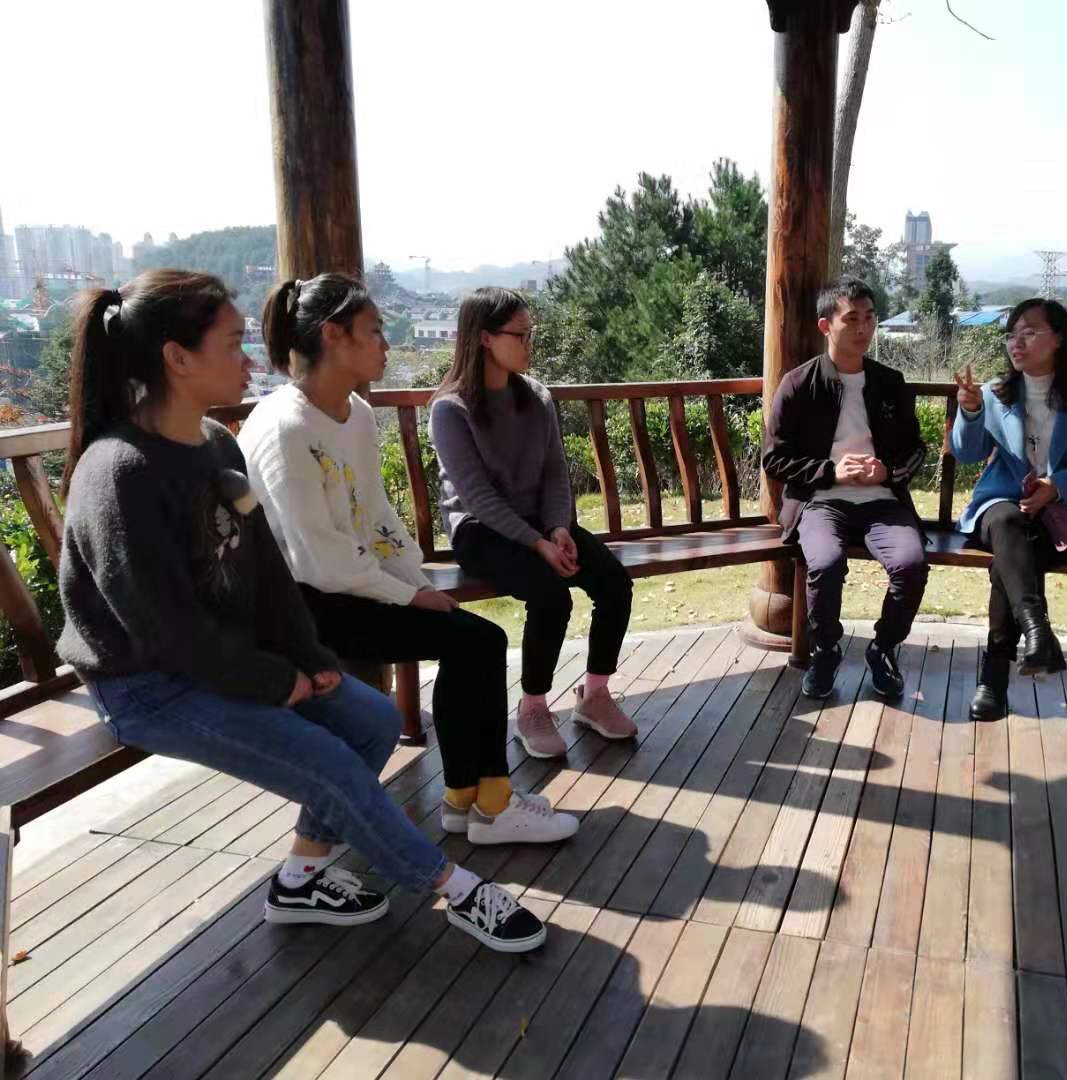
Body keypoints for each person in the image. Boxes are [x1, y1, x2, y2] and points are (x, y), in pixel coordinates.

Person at [56, 269, 546, 952]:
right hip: (146, 684)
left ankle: (301, 878)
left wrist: (310, 660)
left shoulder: (215, 445)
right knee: (331, 763)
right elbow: (161, 626)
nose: (251, 359)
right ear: (178, 358)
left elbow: (265, 573)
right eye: (233, 344)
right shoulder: (120, 471)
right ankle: (454, 888)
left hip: (219, 660)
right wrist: (271, 679)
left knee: (372, 721)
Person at [238, 274, 576, 846]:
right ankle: (489, 805)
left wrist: (414, 579)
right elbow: (318, 557)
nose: (386, 343)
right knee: (478, 642)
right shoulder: (286, 427)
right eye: (373, 331)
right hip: (302, 607)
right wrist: (409, 595)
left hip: (349, 587)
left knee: (471, 639)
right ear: (333, 335)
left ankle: (468, 800)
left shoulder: (354, 411)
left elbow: (376, 515)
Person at [428, 287, 636, 759]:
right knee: (551, 595)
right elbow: (478, 497)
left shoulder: (538, 397)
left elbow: (555, 474)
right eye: (519, 335)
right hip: (480, 531)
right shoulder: (450, 409)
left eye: (530, 333)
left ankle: (595, 694)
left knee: (614, 584)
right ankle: (533, 707)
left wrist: (559, 527)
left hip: (541, 523)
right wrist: (537, 544)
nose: (529, 344)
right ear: (484, 337)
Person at [950, 297, 1067, 722]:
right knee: (1007, 521)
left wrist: (1058, 486)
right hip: (1003, 509)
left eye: (1029, 332)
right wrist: (971, 410)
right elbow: (967, 453)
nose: (1016, 342)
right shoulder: (996, 394)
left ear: (1058, 339)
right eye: (1011, 334)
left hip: (1066, 520)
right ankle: (1037, 630)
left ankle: (995, 679)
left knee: (1012, 563)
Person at [762, 277, 930, 700]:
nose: (863, 328)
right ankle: (825, 650)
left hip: (882, 501)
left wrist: (887, 472)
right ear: (826, 326)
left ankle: (883, 648)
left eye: (870, 318)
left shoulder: (889, 382)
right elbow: (774, 459)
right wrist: (832, 472)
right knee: (825, 563)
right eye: (852, 319)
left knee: (911, 564)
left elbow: (916, 449)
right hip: (821, 502)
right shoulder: (799, 384)